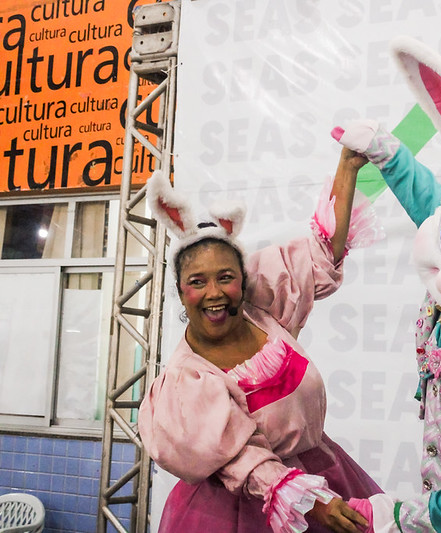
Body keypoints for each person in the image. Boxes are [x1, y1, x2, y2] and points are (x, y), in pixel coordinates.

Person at [138, 147, 383, 533]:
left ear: (244, 279)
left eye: (225, 277)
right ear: (181, 291)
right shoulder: (186, 382)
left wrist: (347, 166)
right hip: (241, 512)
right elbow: (240, 459)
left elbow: (324, 253)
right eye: (197, 282)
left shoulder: (266, 311)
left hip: (324, 478)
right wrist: (306, 500)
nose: (214, 292)